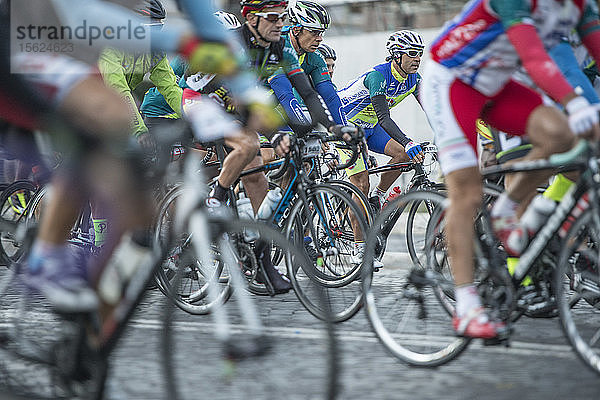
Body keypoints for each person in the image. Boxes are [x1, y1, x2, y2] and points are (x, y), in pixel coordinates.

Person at [4, 0, 281, 312]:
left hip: (82, 53)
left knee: (139, 189)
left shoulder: (151, 47)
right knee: (107, 127)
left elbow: (173, 84)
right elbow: (115, 79)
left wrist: (235, 97)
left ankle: (115, 281)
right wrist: (138, 129)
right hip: (27, 38)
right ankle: (52, 256)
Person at [420, 0, 600, 338]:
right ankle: (467, 306)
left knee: (565, 137)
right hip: (451, 82)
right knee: (467, 192)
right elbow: (535, 59)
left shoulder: (579, 4)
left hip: (497, 85)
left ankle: (508, 207)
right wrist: (576, 103)